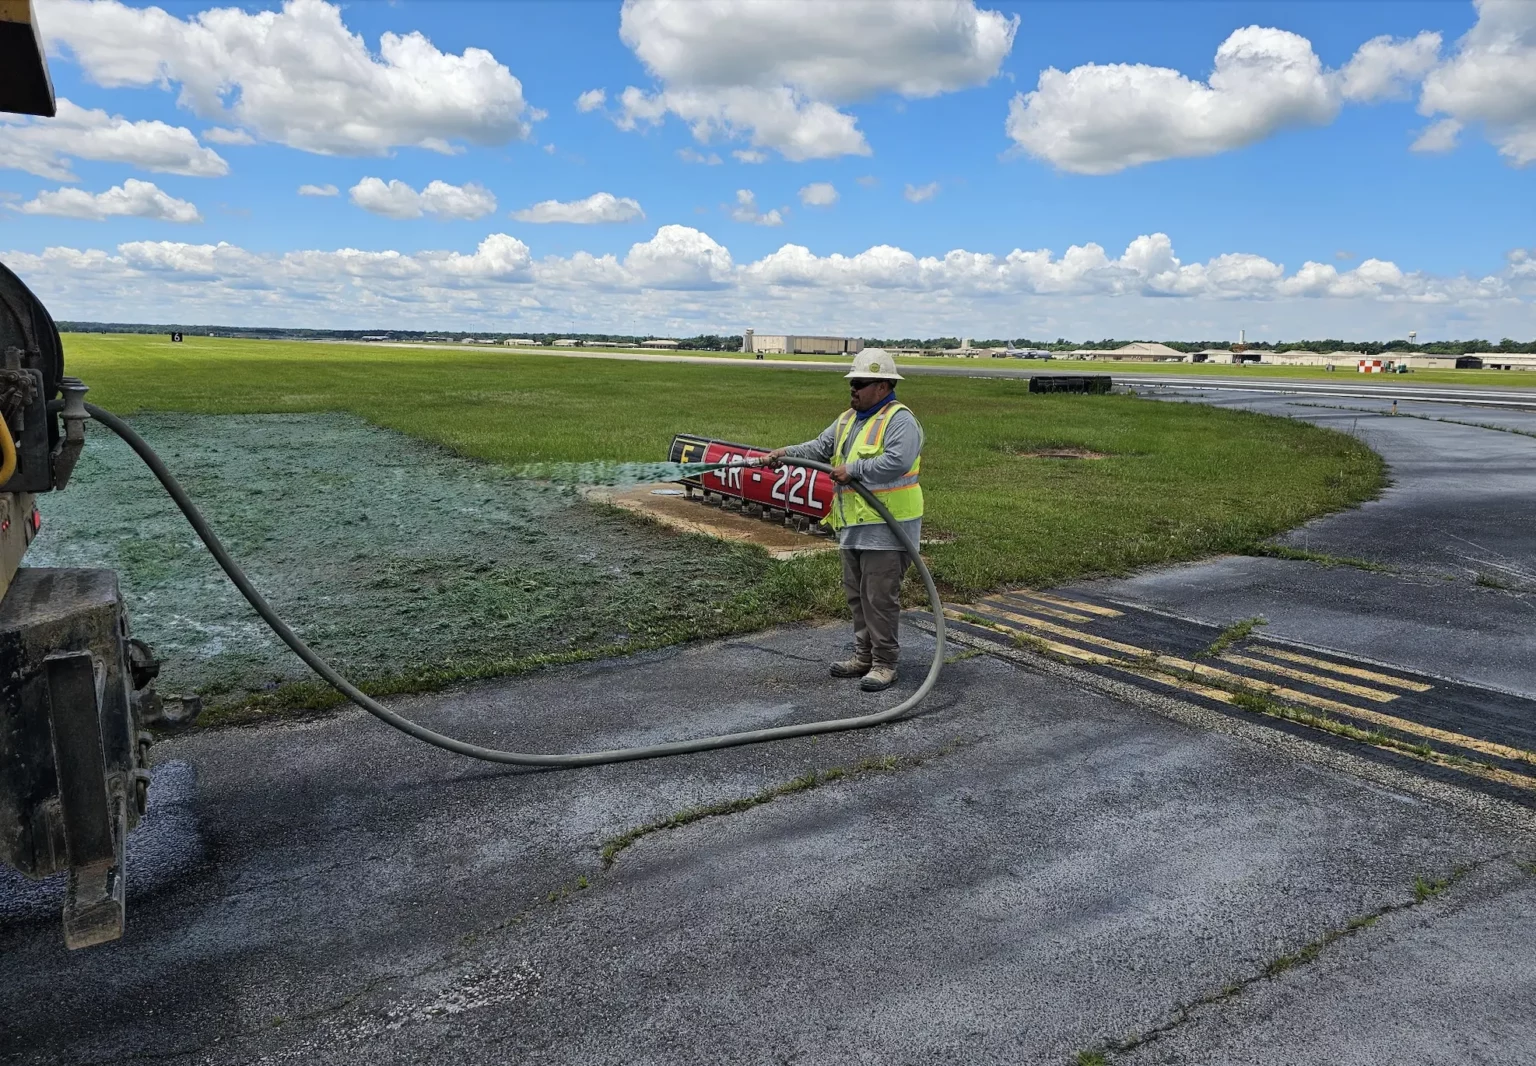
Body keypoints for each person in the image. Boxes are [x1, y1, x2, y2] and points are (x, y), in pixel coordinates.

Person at [758, 350, 923, 692]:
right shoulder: (849, 419)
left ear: (884, 385)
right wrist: (783, 453)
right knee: (858, 597)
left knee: (879, 598)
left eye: (860, 384)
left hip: (888, 529)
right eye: (852, 383)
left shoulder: (900, 420)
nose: (853, 390)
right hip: (854, 528)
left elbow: (897, 461)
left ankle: (884, 663)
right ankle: (864, 656)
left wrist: (855, 469)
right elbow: (819, 447)